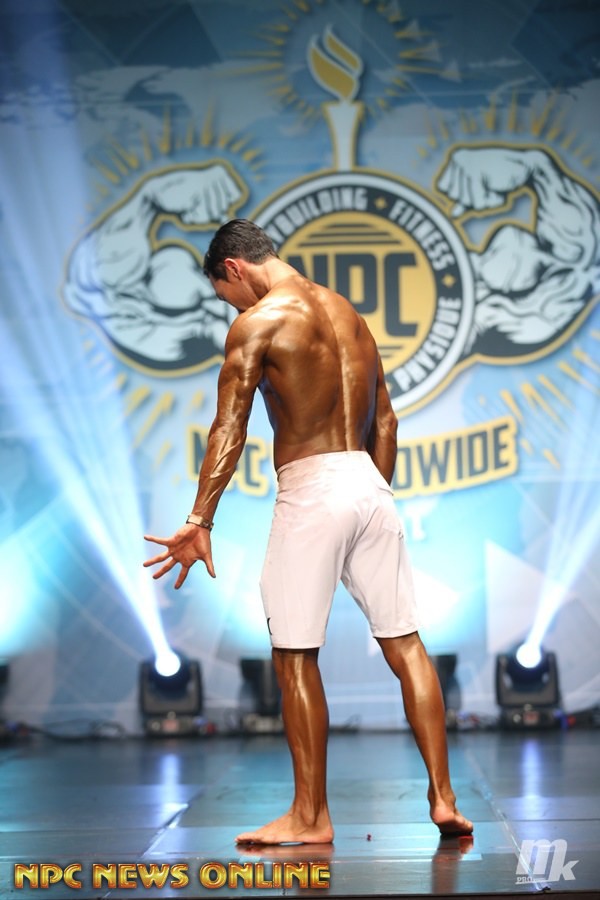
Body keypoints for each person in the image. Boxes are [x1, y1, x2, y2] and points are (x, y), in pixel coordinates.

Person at [144, 218, 473, 845]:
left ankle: (311, 816)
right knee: (407, 644)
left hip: (311, 488)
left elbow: (229, 426)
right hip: (371, 486)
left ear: (233, 268)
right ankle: (443, 797)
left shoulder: (258, 322)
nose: (231, 307)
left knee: (294, 654)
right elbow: (387, 422)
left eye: (224, 294)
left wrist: (199, 519)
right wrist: (368, 493)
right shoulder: (349, 316)